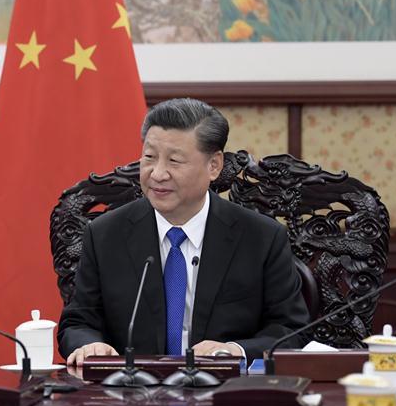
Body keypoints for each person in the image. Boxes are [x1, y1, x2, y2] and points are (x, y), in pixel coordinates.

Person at [58, 98, 309, 366]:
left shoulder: (261, 238)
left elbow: (291, 330)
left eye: (174, 161)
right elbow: (77, 322)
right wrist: (89, 344)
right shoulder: (105, 234)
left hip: (225, 394)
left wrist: (235, 349)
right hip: (133, 395)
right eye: (149, 157)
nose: (157, 174)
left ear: (214, 166)